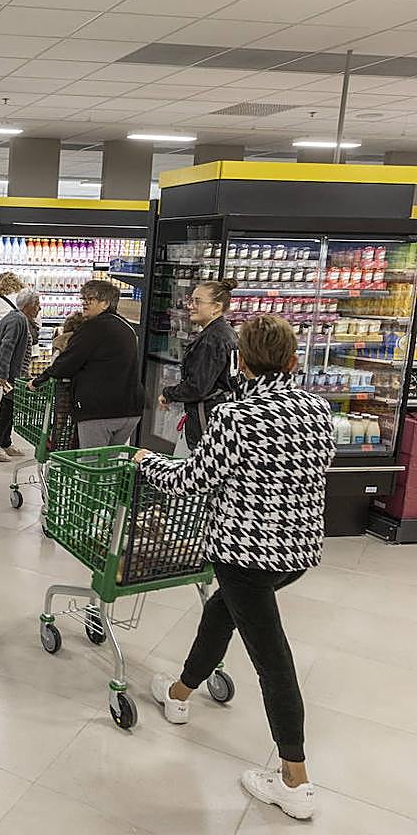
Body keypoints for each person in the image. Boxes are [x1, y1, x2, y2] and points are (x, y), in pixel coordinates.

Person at [133, 314, 334, 822]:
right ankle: (179, 693)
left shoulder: (234, 418)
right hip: (297, 554)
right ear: (292, 361)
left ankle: (295, 778)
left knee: (272, 659)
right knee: (221, 614)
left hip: (244, 555)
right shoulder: (318, 411)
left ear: (240, 362)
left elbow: (194, 481)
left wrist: (144, 462)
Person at [30, 279, 144, 448]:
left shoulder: (93, 328)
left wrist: (38, 381)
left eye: (90, 299)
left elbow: (66, 363)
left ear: (105, 303)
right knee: (107, 464)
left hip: (100, 410)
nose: (84, 303)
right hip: (131, 410)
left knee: (90, 466)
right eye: (83, 299)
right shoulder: (126, 327)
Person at [160, 278, 239, 450]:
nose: (190, 305)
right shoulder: (225, 333)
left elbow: (198, 387)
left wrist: (169, 394)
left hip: (205, 417)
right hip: (217, 415)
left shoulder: (211, 340)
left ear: (216, 307)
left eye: (197, 301)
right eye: (191, 300)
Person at [0, 288, 39, 462]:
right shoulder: (17, 320)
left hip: (10, 374)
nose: (39, 309)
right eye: (37, 305)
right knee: (7, 410)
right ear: (29, 305)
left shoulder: (15, 317)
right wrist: (3, 376)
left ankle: (5, 442)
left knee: (10, 409)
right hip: (7, 376)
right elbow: (6, 348)